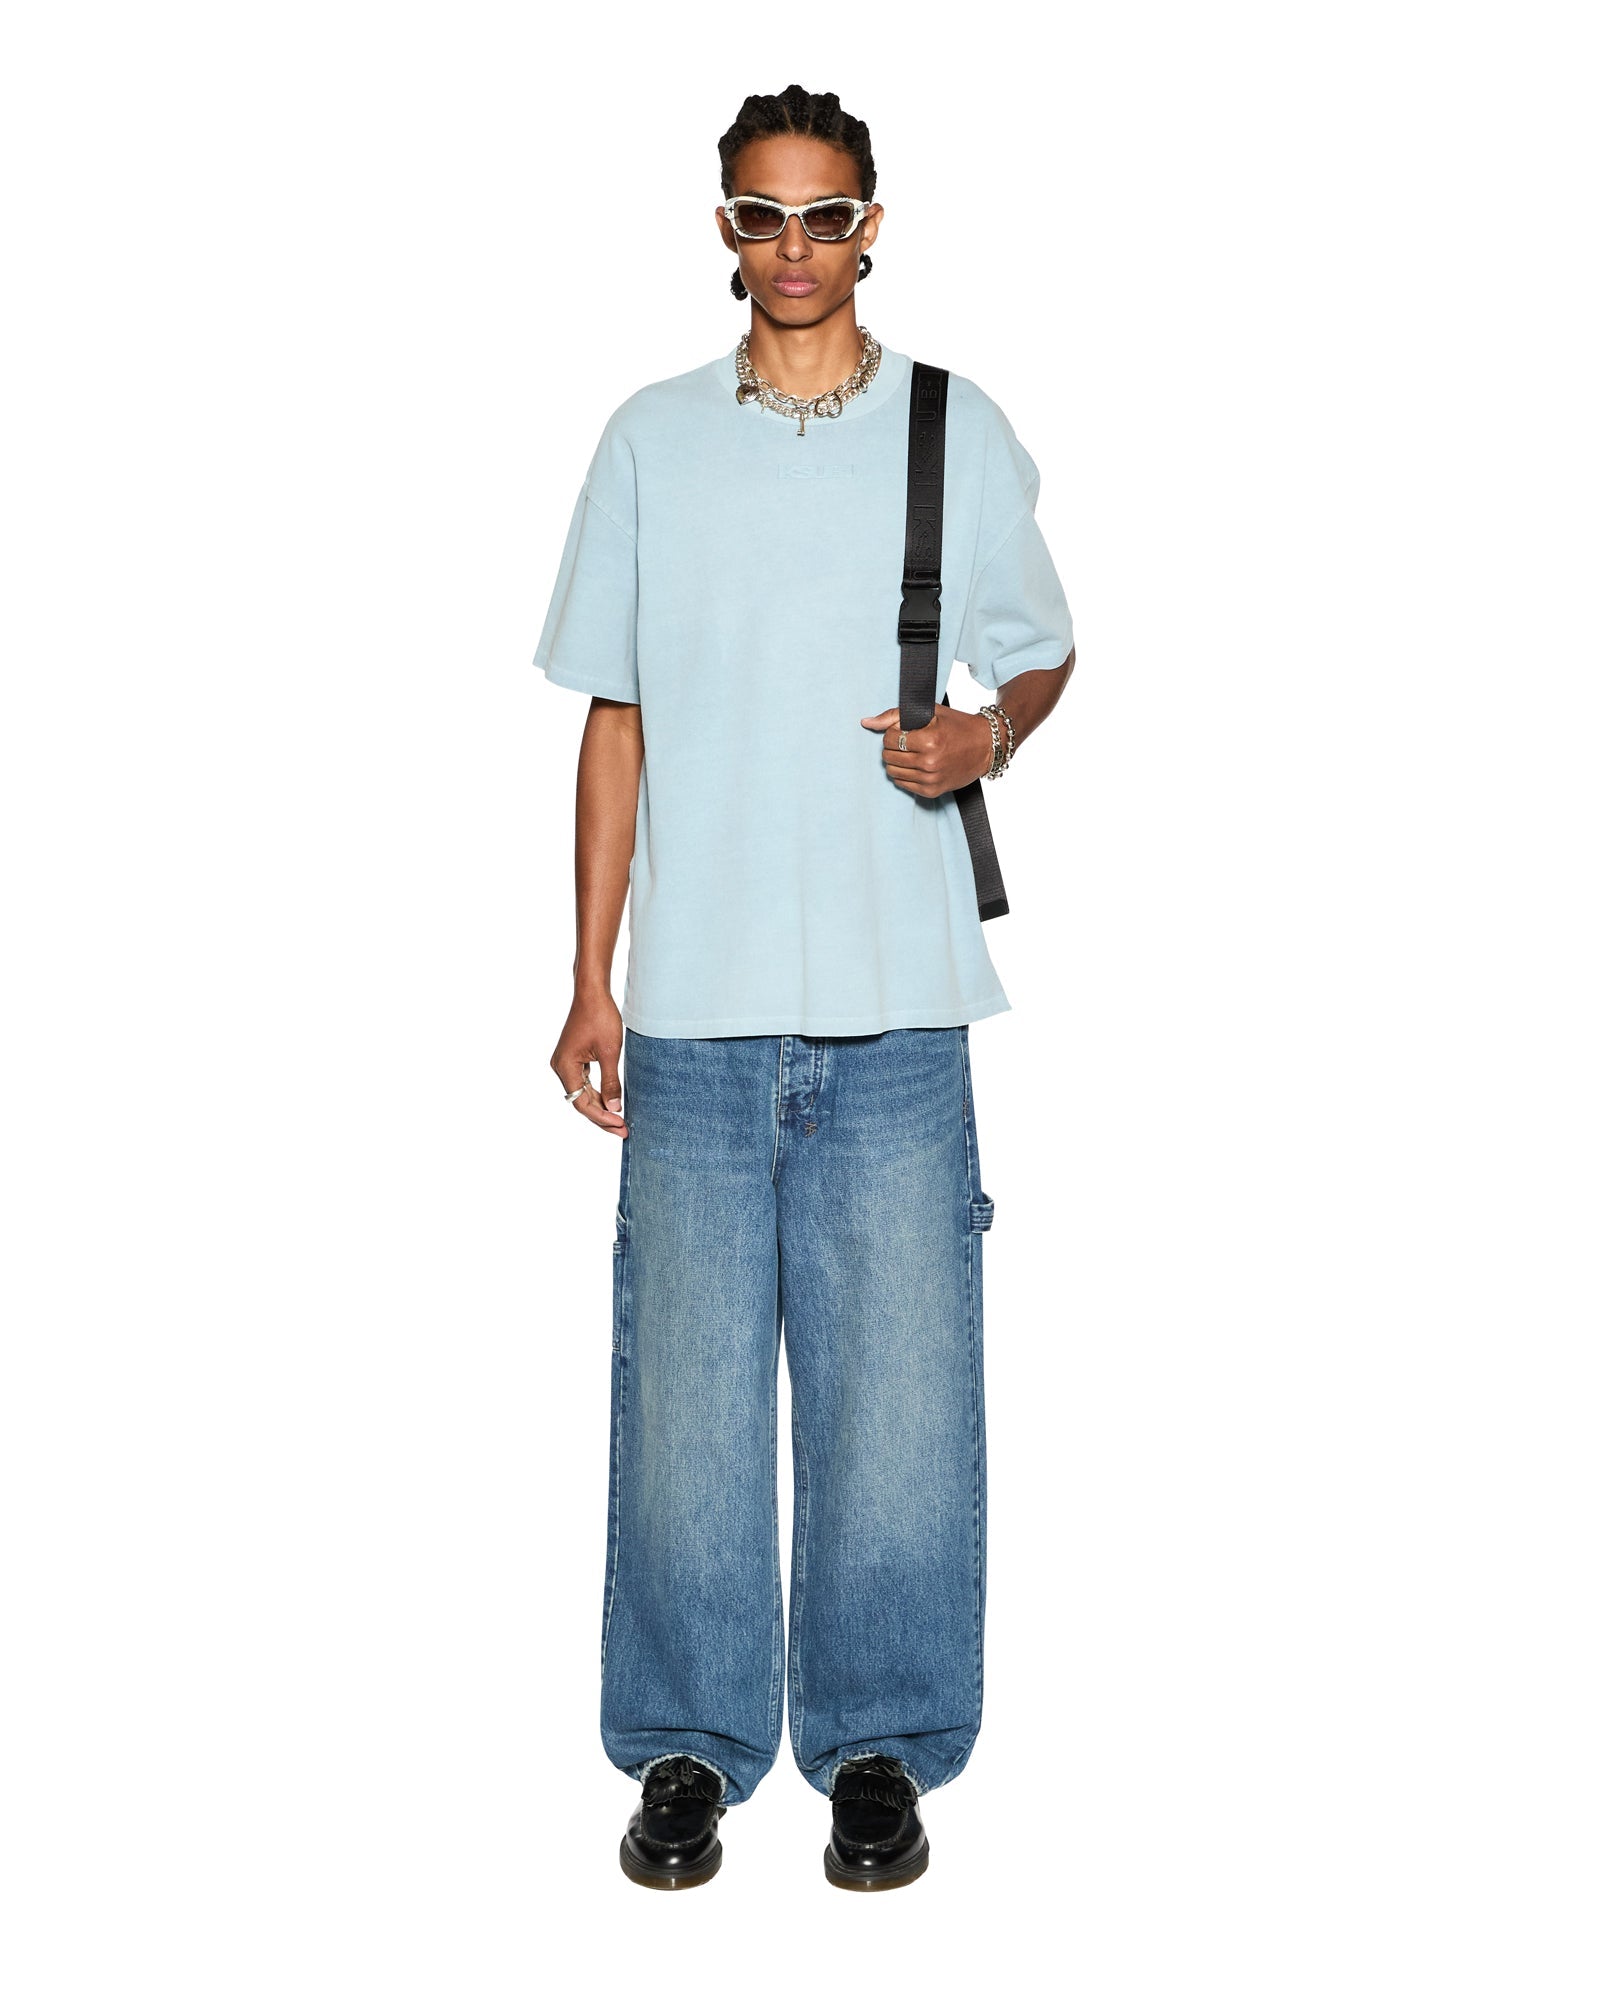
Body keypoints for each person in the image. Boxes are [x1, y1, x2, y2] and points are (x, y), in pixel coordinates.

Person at [533, 82, 1075, 1892]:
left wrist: (986, 733)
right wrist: (588, 977)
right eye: (761, 216)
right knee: (684, 1401)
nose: (793, 247)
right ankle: (688, 1743)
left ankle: (880, 1747)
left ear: (870, 228)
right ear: (725, 229)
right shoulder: (647, 442)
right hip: (690, 1008)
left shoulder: (951, 429)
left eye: (824, 215)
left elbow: (1045, 647)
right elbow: (614, 722)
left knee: (899, 1401)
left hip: (899, 1003)